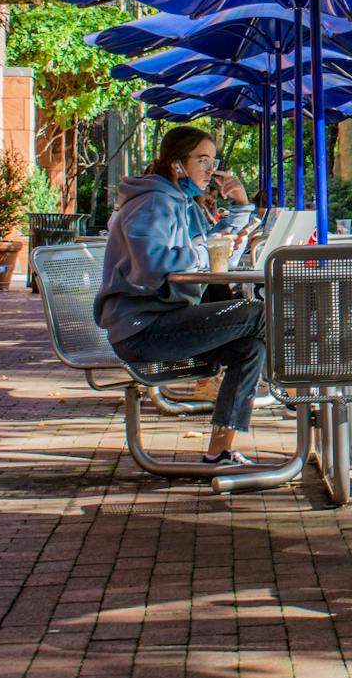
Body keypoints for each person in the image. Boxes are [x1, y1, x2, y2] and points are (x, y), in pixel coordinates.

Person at [93, 127, 266, 467]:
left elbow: (214, 253)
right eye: (202, 160)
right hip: (143, 331)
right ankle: (299, 391)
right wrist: (204, 252)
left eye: (213, 161)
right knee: (258, 314)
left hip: (163, 321)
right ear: (177, 165)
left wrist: (241, 207)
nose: (210, 170)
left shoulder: (178, 201)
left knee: (251, 346)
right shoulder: (154, 201)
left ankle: (220, 452)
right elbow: (153, 263)